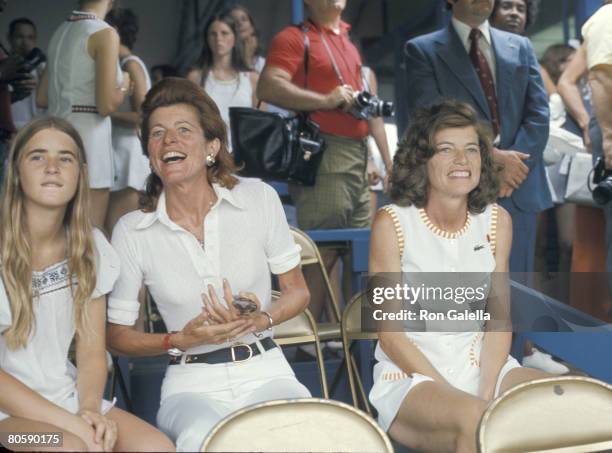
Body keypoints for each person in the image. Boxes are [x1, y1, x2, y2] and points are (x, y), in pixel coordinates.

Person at [106, 78, 311, 452]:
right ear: (150, 153)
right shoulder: (132, 230)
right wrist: (179, 340)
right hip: (191, 385)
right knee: (206, 439)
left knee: (298, 431)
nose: (169, 140)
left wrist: (259, 318)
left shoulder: (258, 198)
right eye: (158, 133)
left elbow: (297, 291)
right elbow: (117, 337)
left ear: (212, 147)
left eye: (184, 130)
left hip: (265, 368)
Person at [369, 100, 548, 453]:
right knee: (477, 421)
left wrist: (486, 390)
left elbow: (498, 322)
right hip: (410, 379)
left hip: (485, 369)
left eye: (471, 150)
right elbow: (389, 335)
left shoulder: (498, 222)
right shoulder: (390, 223)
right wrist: (457, 397)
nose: (462, 161)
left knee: (560, 403)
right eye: (446, 150)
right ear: (422, 160)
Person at [0, 116, 173, 452]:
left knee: (157, 448)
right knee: (67, 447)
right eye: (37, 156)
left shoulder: (90, 247)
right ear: (17, 173)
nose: (52, 167)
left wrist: (90, 410)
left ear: (80, 174)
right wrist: (72, 426)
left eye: (65, 158)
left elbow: (92, 351)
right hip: (7, 422)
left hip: (67, 399)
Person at [404, 0, 551, 274]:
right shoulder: (422, 50)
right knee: (463, 294)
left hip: (517, 186)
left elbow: (539, 115)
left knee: (517, 294)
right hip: (460, 189)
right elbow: (432, 118)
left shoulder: (520, 47)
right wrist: (493, 160)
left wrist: (515, 167)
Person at [258, 0, 370, 321]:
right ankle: (306, 339)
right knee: (323, 251)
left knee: (358, 252)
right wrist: (325, 101)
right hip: (325, 152)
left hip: (357, 155)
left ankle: (353, 339)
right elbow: (268, 85)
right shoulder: (294, 37)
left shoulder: (346, 39)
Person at [37, 0, 131, 230]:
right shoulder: (104, 33)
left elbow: (41, 98)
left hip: (55, 134)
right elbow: (106, 105)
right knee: (90, 234)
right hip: (90, 140)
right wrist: (125, 85)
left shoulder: (61, 31)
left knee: (56, 229)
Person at [104, 7, 152, 233]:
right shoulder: (119, 64)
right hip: (119, 151)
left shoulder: (130, 64)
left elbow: (143, 116)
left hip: (129, 154)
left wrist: (105, 113)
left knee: (117, 229)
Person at [186, 14, 258, 151]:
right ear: (207, 39)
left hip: (244, 156)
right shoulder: (195, 77)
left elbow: (260, 125)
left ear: (234, 37)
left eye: (224, 33)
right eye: (213, 34)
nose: (218, 39)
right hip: (206, 153)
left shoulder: (252, 78)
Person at [7, 17, 45, 130]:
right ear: (9, 38)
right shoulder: (3, 68)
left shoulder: (44, 68)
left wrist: (41, 84)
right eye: (20, 37)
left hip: (35, 129)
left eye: (30, 37)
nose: (25, 43)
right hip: (7, 131)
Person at [226, 4, 265, 73]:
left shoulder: (264, 63)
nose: (240, 23)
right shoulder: (224, 62)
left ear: (252, 27)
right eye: (234, 21)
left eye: (244, 19)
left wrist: (248, 58)